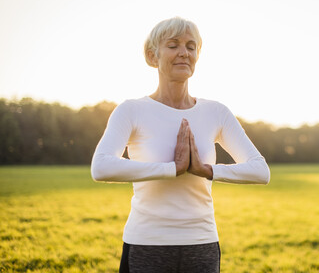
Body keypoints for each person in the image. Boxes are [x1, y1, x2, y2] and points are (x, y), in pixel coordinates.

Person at [91, 17, 270, 273]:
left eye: (190, 46)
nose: (184, 53)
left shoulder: (216, 112)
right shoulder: (131, 110)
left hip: (202, 244)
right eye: (173, 45)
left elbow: (260, 171)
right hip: (147, 245)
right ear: (153, 56)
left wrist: (206, 170)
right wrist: (171, 169)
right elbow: (101, 167)